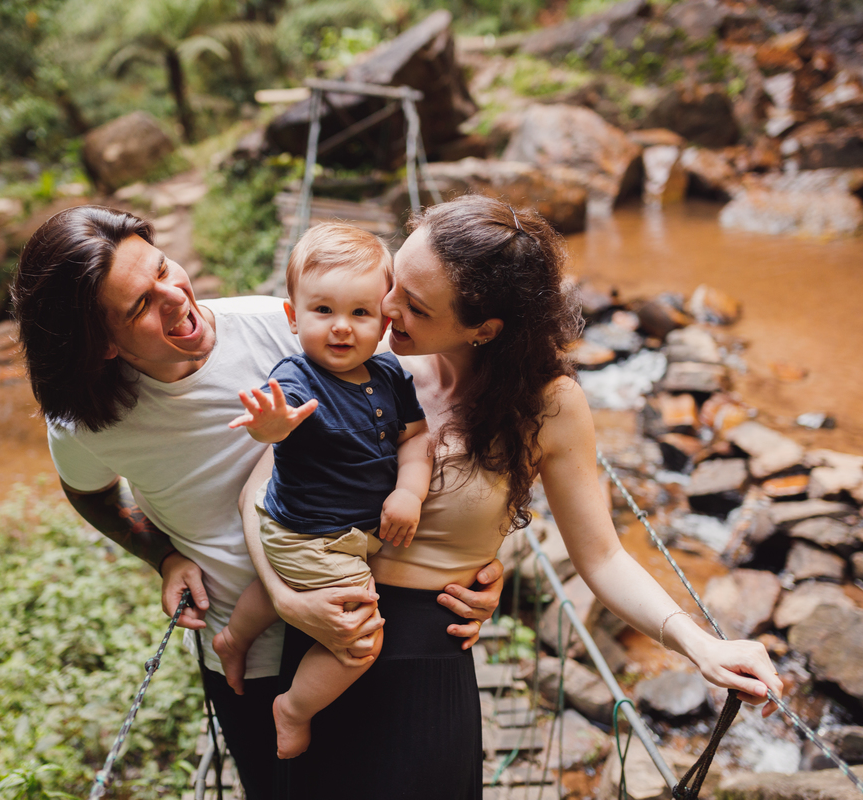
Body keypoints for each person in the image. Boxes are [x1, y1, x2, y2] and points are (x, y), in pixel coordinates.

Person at [237, 195, 784, 800]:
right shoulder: (362, 352)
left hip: (423, 672)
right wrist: (287, 598)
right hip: (321, 638)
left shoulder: (549, 406)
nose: (385, 310)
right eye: (395, 282)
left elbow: (601, 556)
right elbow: (262, 487)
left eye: (413, 304)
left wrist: (700, 644)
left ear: (484, 329)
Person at [10, 205, 505, 800]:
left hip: (352, 623)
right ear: (103, 345)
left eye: (165, 268)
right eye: (141, 305)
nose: (176, 298)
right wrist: (161, 556)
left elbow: (413, 435)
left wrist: (475, 558)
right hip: (244, 657)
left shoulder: (284, 326)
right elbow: (88, 494)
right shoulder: (85, 421)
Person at [212, 223, 432, 759]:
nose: (341, 328)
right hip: (311, 536)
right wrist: (271, 426)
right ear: (292, 317)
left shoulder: (390, 374)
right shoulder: (298, 377)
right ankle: (294, 708)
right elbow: (279, 418)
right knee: (360, 640)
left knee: (279, 585)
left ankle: (234, 638)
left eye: (360, 313)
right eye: (322, 311)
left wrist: (409, 492)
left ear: (385, 319)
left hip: (334, 531)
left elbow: (416, 438)